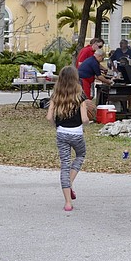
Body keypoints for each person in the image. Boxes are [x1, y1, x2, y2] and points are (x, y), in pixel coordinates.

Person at [46, 66, 89, 212]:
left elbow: (49, 117)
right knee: (80, 154)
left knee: (64, 164)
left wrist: (56, 126)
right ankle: (70, 181)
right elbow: (84, 119)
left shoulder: (55, 96)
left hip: (61, 133)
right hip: (76, 133)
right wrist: (88, 122)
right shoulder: (80, 95)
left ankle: (68, 203)